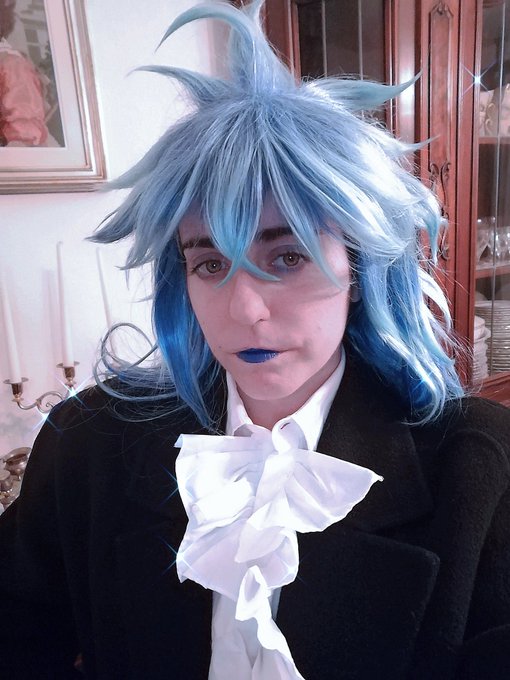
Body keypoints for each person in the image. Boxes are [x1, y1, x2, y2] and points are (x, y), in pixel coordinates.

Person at [1, 1, 509, 678]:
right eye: (210, 264)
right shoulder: (85, 445)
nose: (244, 309)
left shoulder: (479, 469)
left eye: (287, 256)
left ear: (360, 269)